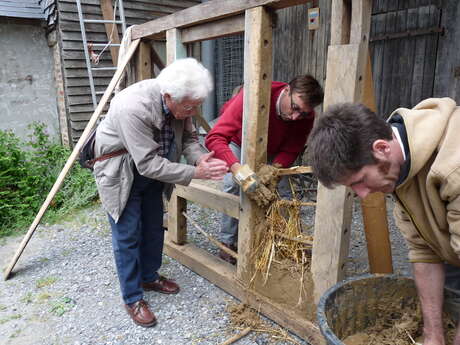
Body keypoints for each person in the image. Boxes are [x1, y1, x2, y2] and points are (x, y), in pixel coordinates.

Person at [307, 99, 460, 345]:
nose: (364, 194)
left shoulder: (454, 166)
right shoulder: (398, 167)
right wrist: (434, 334)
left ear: (381, 148)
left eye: (361, 181)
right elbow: (424, 250)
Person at [93, 58, 228, 327]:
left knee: (154, 228)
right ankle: (132, 297)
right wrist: (193, 174)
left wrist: (199, 158)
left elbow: (189, 139)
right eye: (189, 107)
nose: (193, 112)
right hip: (123, 174)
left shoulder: (181, 103)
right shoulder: (133, 106)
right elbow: (147, 164)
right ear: (168, 97)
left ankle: (149, 276)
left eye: (197, 106)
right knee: (127, 235)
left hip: (155, 173)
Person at [205, 75, 324, 264]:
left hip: (273, 149)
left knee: (284, 193)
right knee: (233, 186)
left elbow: (292, 148)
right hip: (239, 142)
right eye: (294, 108)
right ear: (286, 90)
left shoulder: (306, 115)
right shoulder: (252, 95)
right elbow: (215, 137)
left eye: (302, 113)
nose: (295, 117)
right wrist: (238, 171)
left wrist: (274, 169)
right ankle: (227, 243)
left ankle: (286, 242)